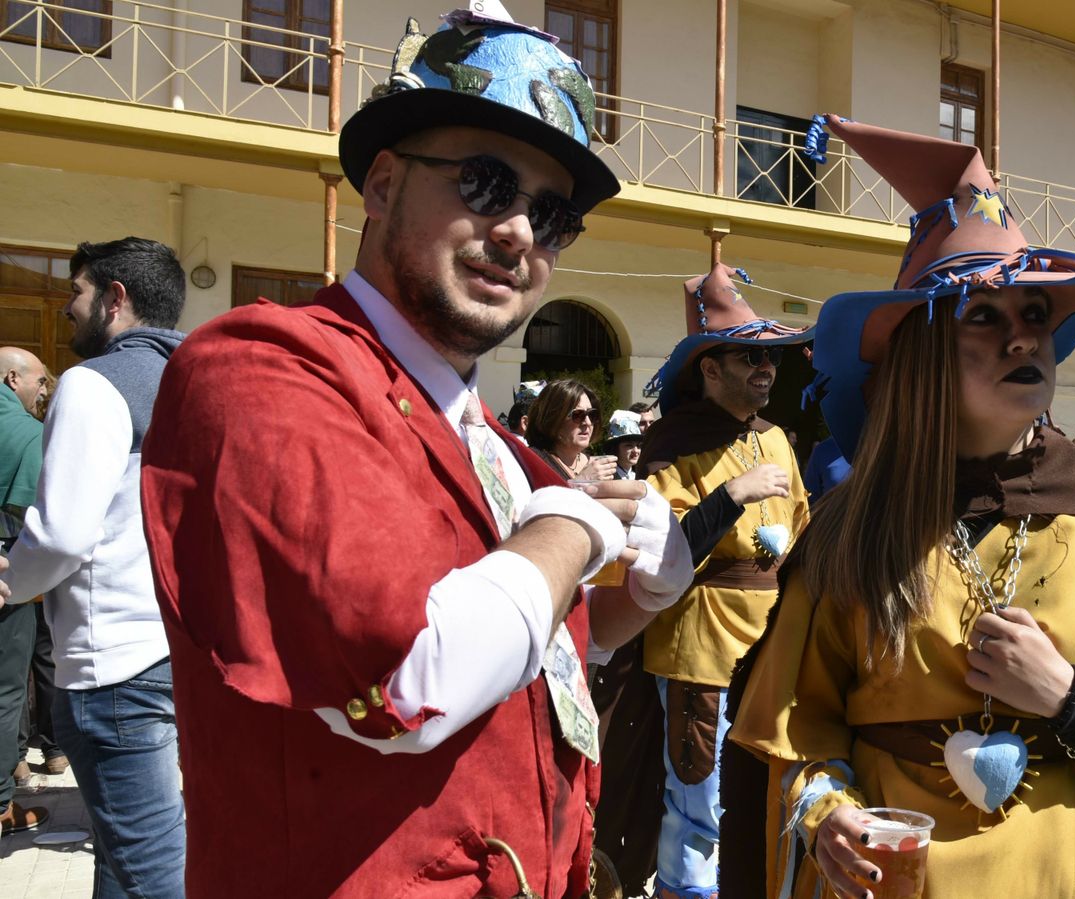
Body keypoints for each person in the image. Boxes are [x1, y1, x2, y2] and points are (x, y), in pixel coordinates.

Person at [138, 6, 693, 896]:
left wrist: (639, 599)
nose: (519, 232)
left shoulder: (492, 442)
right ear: (385, 184)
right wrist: (570, 528)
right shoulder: (258, 370)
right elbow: (410, 681)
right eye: (485, 183)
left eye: (551, 217)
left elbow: (529, 651)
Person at [721, 114, 1075, 899]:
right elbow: (792, 731)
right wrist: (823, 808)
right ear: (925, 352)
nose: (1024, 339)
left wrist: (1071, 697)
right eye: (986, 317)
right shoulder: (848, 531)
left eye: (1037, 316)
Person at [607, 263, 811, 899]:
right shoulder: (677, 443)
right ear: (710, 369)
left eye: (770, 359)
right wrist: (729, 495)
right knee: (698, 797)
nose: (764, 370)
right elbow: (661, 553)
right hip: (700, 646)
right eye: (747, 356)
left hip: (771, 643)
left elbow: (801, 529)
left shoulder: (776, 436)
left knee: (759, 791)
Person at [0, 238, 188, 892]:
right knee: (124, 850)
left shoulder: (91, 384)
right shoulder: (195, 378)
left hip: (112, 667)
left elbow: (60, 537)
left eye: (76, 293)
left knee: (150, 874)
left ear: (116, 299)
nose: (65, 309)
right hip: (175, 653)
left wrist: (7, 580)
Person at [0, 346, 48, 833]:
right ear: (14, 379)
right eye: (39, 382)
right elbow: (40, 522)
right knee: (5, 690)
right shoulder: (26, 433)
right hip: (6, 578)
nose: (43, 392)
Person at [527, 378, 615, 480]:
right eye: (578, 415)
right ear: (553, 418)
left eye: (592, 415)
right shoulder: (534, 461)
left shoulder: (594, 464)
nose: (588, 422)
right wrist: (582, 480)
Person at [604, 409, 645, 479]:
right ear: (615, 448)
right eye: (629, 446)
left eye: (638, 446)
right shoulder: (607, 477)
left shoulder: (638, 477)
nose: (636, 451)